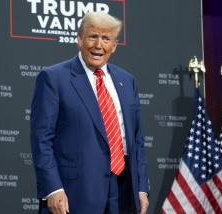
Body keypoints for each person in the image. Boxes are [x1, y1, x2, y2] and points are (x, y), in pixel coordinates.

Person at [30, 12, 149, 214]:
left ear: (114, 45)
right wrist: (53, 188)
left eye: (106, 39)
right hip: (74, 194)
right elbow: (41, 139)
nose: (98, 45)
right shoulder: (54, 78)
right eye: (93, 36)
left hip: (123, 191)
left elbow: (137, 140)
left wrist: (141, 187)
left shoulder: (127, 81)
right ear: (80, 39)